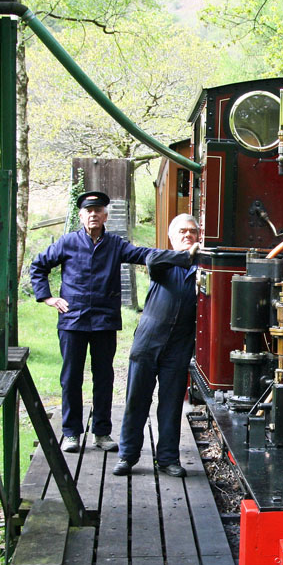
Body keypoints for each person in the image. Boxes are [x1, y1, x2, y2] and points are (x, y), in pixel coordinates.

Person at [30, 192, 199, 454]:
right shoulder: (67, 243)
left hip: (104, 322)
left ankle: (101, 432)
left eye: (98, 210)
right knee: (71, 377)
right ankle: (71, 433)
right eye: (88, 211)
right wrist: (48, 297)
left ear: (106, 216)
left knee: (104, 377)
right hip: (72, 321)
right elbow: (39, 265)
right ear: (81, 215)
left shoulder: (115, 245)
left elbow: (145, 254)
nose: (93, 215)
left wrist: (184, 256)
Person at [112, 213, 202, 478]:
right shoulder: (163, 260)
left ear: (199, 236)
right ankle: (127, 457)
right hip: (148, 342)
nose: (188, 235)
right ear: (171, 238)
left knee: (171, 404)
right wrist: (187, 256)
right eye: (182, 232)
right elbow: (151, 259)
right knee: (136, 400)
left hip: (179, 346)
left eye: (192, 232)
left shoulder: (204, 269)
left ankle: (167, 459)